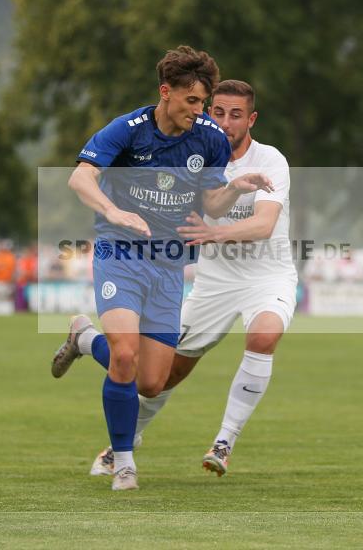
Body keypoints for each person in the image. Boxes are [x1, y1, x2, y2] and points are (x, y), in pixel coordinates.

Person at [50, 47, 273, 491]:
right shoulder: (129, 129)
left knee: (151, 383)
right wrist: (113, 212)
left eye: (203, 103)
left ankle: (83, 336)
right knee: (126, 355)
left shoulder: (208, 138)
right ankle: (125, 463)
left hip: (169, 262)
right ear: (165, 92)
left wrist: (235, 188)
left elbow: (210, 201)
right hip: (120, 254)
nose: (199, 111)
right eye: (191, 102)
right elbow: (80, 177)